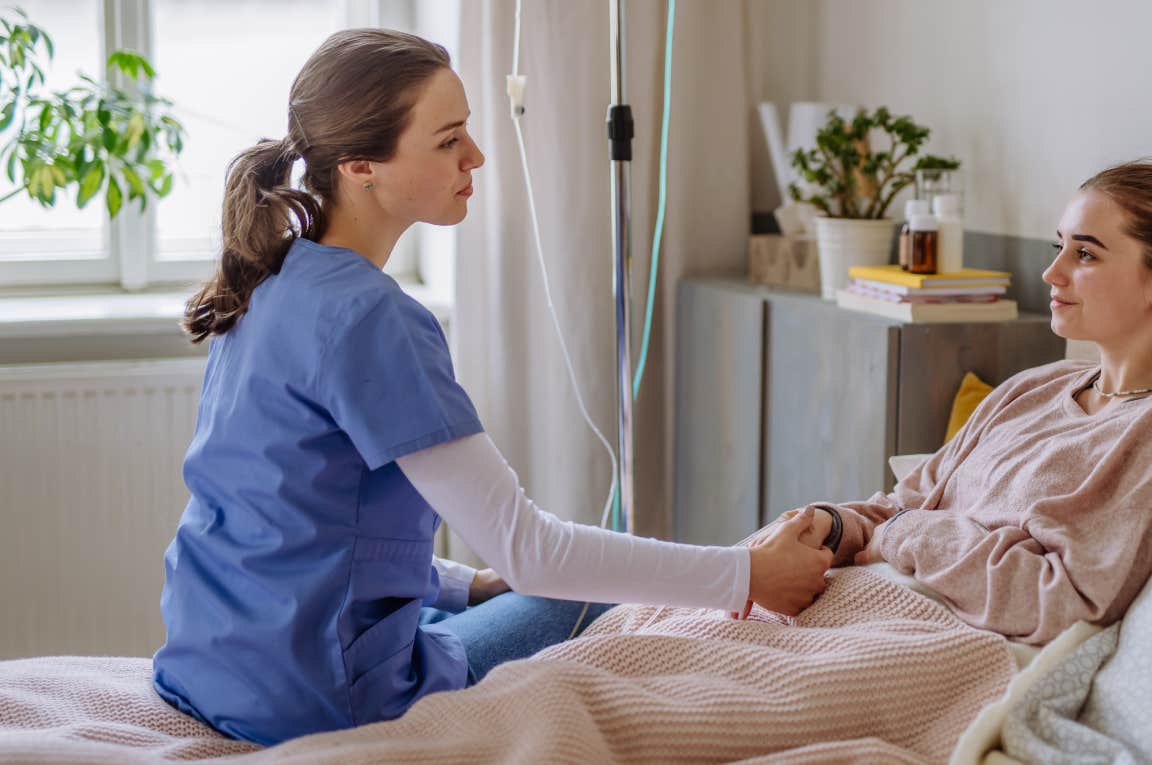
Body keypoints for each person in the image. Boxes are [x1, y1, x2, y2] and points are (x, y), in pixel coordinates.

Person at [152, 29, 832, 746]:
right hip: (319, 701)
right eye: (449, 140)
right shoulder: (373, 317)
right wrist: (746, 574)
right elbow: (530, 551)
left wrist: (466, 587)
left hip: (211, 670)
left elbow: (291, 524)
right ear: (360, 166)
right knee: (591, 596)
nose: (476, 155)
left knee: (508, 590)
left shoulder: (266, 279)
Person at [751, 161, 1152, 644]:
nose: (1052, 272)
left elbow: (1068, 602)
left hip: (939, 643)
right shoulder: (1036, 386)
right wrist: (829, 524)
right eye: (1058, 245)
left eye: (1084, 253)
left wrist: (903, 535)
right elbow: (906, 504)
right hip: (853, 604)